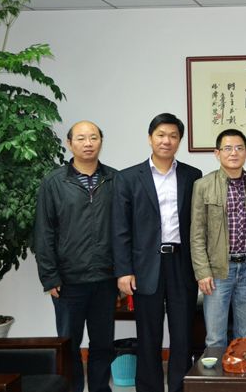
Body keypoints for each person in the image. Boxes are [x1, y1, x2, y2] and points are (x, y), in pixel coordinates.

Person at [112, 113, 202, 392]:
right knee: (148, 335)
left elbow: (197, 225)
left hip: (181, 263)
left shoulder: (192, 175)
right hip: (145, 265)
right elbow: (120, 229)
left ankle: (180, 387)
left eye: (173, 136)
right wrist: (124, 270)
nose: (167, 141)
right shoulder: (128, 178)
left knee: (182, 334)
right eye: (161, 135)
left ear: (179, 141)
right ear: (150, 138)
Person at [34, 120, 117, 392]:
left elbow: (123, 230)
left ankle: (100, 389)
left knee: (103, 344)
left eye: (93, 137)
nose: (88, 143)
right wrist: (50, 277)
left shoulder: (115, 180)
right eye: (81, 138)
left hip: (105, 278)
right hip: (68, 281)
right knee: (69, 344)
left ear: (101, 142)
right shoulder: (54, 182)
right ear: (70, 144)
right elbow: (44, 232)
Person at [190, 128, 246, 348]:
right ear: (217, 153)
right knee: (215, 337)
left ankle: (242, 371)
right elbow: (197, 234)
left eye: (239, 148)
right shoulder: (203, 185)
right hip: (218, 270)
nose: (234, 153)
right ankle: (218, 371)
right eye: (228, 148)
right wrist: (202, 272)